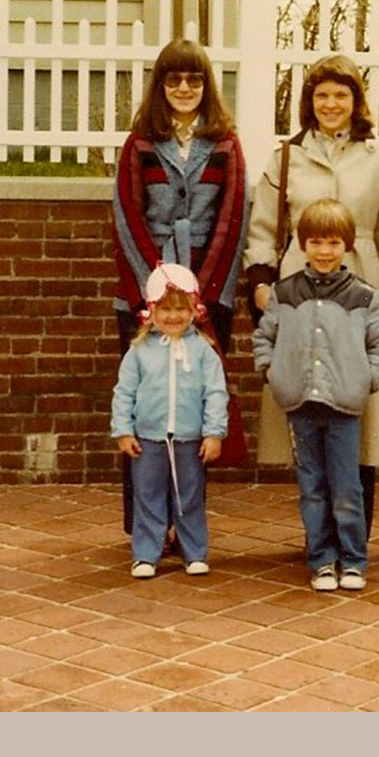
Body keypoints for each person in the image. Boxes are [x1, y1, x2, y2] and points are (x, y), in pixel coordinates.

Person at [244, 54, 379, 536]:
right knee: (311, 405)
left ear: (356, 101)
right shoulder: (288, 157)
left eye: (341, 94)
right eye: (321, 96)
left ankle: (354, 532)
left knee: (360, 405)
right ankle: (320, 534)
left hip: (360, 289)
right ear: (308, 103)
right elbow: (264, 226)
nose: (331, 104)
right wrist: (260, 280)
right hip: (301, 288)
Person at [113, 39, 249, 540]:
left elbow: (233, 218)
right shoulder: (140, 144)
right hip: (145, 295)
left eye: (194, 80)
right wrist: (159, 286)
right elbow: (127, 217)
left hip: (207, 298)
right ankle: (146, 527)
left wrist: (201, 294)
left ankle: (185, 527)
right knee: (146, 411)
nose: (185, 89)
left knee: (193, 414)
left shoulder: (226, 144)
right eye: (174, 80)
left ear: (206, 85)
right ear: (160, 86)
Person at [252, 199, 379, 592]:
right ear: (302, 245)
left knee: (347, 486)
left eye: (333, 243)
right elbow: (264, 337)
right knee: (312, 487)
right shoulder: (285, 293)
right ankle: (321, 559)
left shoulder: (363, 296)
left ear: (346, 246)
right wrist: (271, 371)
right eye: (315, 242)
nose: (324, 252)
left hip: (345, 404)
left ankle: (353, 559)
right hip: (300, 403)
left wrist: (367, 378)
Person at [111, 264, 228, 578]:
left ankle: (194, 552)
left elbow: (216, 393)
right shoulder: (138, 351)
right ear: (152, 310)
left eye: (181, 309)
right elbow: (124, 392)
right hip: (148, 438)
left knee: (188, 496)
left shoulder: (203, 350)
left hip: (190, 439)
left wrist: (213, 433)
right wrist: (123, 429)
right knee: (147, 496)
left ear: (194, 309)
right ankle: (146, 553)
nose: (173, 316)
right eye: (165, 309)